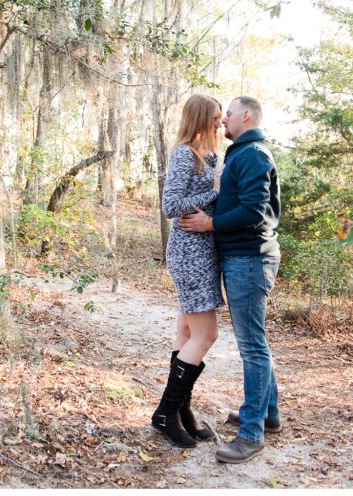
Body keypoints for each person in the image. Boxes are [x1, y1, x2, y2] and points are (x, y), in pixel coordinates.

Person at [179, 96, 282, 464]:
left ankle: (251, 434)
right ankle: (267, 414)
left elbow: (254, 211)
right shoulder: (241, 153)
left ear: (246, 115)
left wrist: (211, 223)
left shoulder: (253, 154)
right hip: (240, 257)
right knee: (256, 342)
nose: (223, 120)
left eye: (230, 113)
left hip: (249, 258)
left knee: (252, 346)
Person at [150, 94, 226, 448]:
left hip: (203, 252)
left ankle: (181, 411)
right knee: (205, 335)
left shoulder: (210, 157)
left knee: (186, 330)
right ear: (199, 119)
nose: (219, 123)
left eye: (222, 116)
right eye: (214, 117)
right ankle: (166, 412)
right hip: (189, 253)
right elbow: (170, 206)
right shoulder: (185, 154)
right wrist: (214, 193)